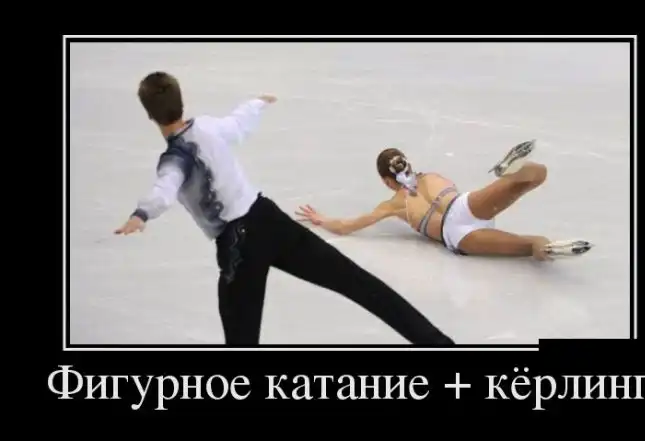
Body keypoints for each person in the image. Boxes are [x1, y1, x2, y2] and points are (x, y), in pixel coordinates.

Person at [113, 71, 454, 346]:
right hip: (269, 220)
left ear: (149, 114)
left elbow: (164, 189)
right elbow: (236, 124)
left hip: (238, 246)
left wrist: (141, 214)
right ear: (180, 101)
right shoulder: (206, 127)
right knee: (358, 283)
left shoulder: (174, 158)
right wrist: (255, 104)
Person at [296, 141, 593, 261]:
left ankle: (548, 247)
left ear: (385, 180)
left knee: (529, 244)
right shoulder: (430, 179)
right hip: (465, 210)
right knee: (537, 175)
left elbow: (348, 226)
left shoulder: (395, 204)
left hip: (458, 231)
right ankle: (509, 172)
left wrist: (323, 220)